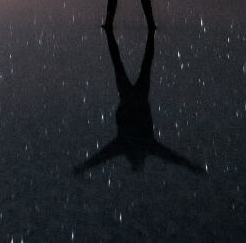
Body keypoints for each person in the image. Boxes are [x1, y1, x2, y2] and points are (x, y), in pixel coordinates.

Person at [72, 28, 204, 175]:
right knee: (125, 64)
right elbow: (172, 157)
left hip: (133, 99)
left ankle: (141, 32)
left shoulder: (133, 146)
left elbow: (100, 157)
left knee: (138, 64)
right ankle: (138, 32)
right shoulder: (137, 146)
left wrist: (83, 167)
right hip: (133, 99)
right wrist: (190, 166)